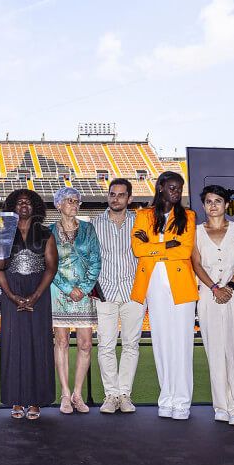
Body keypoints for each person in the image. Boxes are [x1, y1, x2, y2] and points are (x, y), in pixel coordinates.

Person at [131, 171, 198, 420]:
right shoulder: (143, 216)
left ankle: (182, 401)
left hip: (181, 286)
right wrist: (166, 245)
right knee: (161, 343)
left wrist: (153, 248)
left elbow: (185, 251)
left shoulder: (188, 216)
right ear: (160, 187)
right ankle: (166, 398)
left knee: (182, 344)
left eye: (179, 188)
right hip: (153, 286)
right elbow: (138, 249)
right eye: (172, 187)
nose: (176, 192)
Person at [191, 185, 234, 426]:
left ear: (227, 204)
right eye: (209, 201)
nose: (213, 205)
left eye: (218, 201)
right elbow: (196, 264)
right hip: (208, 295)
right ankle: (222, 406)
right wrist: (215, 288)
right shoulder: (196, 232)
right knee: (215, 351)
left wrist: (229, 286)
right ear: (204, 205)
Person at [0, 189, 56, 420]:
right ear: (12, 206)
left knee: (38, 344)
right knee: (13, 344)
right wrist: (11, 295)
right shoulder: (3, 233)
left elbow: (51, 267)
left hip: (39, 291)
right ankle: (16, 401)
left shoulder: (45, 233)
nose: (23, 205)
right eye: (19, 202)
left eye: (28, 202)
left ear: (35, 207)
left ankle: (36, 400)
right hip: (12, 290)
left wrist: (36, 296)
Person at [90, 178, 145, 415]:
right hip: (106, 292)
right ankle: (111, 395)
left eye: (121, 195)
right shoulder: (94, 223)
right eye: (112, 194)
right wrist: (95, 288)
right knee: (106, 346)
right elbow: (89, 258)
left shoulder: (140, 223)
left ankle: (125, 394)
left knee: (131, 345)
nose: (116, 198)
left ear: (129, 198)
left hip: (134, 292)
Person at [49, 186, 100, 414]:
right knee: (60, 342)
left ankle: (78, 394)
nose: (74, 204)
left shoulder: (88, 229)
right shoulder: (49, 231)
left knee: (86, 344)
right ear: (58, 204)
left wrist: (85, 287)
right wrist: (69, 288)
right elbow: (50, 265)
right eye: (69, 201)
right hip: (59, 292)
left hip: (84, 293)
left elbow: (96, 261)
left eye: (77, 201)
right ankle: (65, 394)